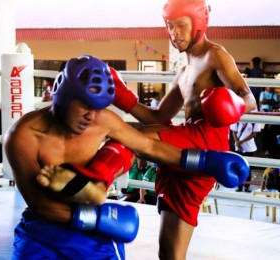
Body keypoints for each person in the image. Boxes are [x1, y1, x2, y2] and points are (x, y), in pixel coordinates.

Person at [61, 1, 256, 259]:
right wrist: (122, 97)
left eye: (181, 25)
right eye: (169, 26)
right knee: (170, 253)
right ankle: (91, 184)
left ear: (198, 23)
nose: (174, 32)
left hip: (206, 145)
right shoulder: (184, 71)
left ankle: (93, 184)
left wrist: (232, 105)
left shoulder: (216, 55)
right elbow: (160, 116)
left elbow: (249, 97)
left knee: (134, 136)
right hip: (185, 147)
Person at [4, 55, 250, 259]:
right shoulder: (22, 136)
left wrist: (205, 160)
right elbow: (39, 203)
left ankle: (89, 187)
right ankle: (86, 189)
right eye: (86, 106)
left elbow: (148, 147)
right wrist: (99, 219)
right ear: (63, 97)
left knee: (125, 143)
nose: (92, 116)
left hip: (92, 231)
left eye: (99, 107)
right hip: (44, 229)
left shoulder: (103, 120)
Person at [230, 118, 261, 192]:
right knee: (238, 167)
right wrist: (237, 142)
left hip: (249, 148)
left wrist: (241, 142)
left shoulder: (254, 120)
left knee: (248, 168)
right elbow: (233, 132)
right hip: (238, 148)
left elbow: (254, 134)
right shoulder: (237, 118)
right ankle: (239, 186)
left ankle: (247, 186)